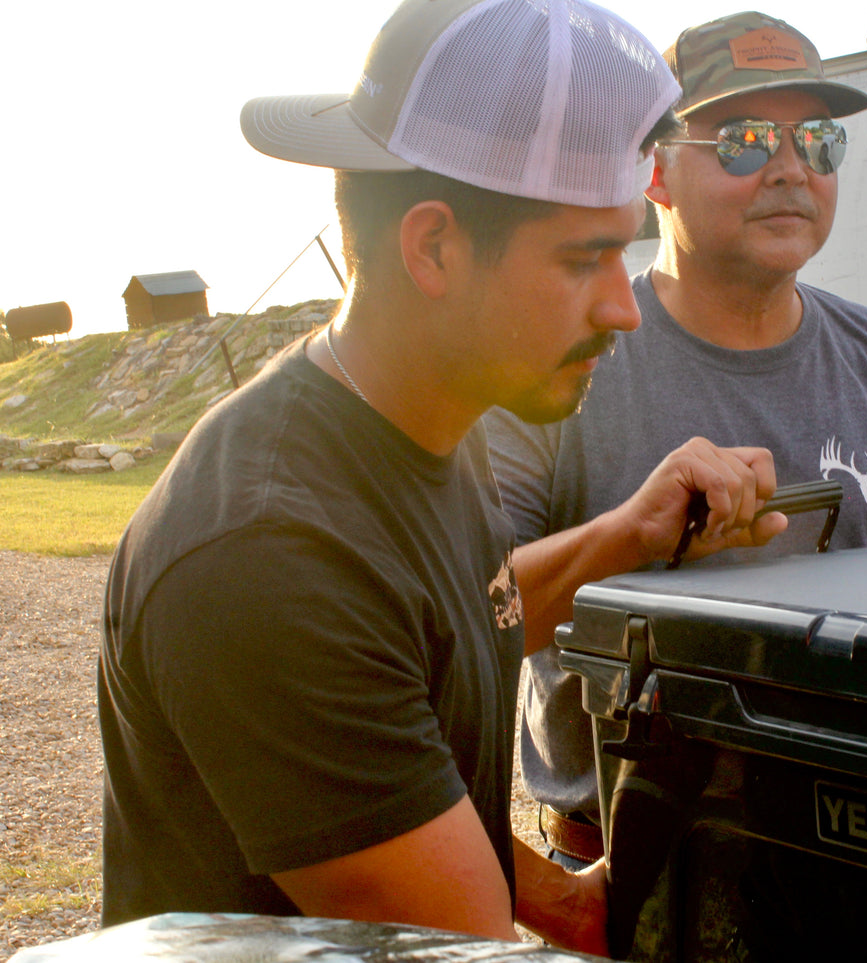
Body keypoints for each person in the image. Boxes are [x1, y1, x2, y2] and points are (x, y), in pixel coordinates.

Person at [97, 0, 787, 953]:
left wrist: (633, 533)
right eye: (583, 258)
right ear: (432, 247)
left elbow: (464, 622)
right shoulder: (267, 551)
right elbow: (461, 940)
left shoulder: (424, 419)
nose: (618, 310)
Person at [486, 11, 867, 869]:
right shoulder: (557, 372)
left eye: (816, 141)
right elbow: (469, 617)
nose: (788, 168)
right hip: (641, 869)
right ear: (654, 170)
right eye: (741, 139)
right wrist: (629, 536)